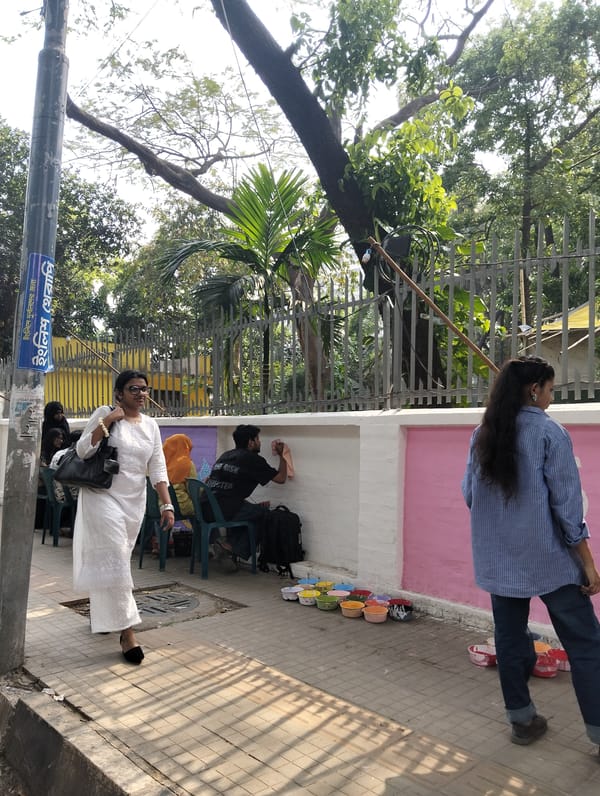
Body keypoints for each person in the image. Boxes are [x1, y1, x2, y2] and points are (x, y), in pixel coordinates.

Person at [462, 356, 600, 752]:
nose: (552, 398)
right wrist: (588, 563)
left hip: (499, 560)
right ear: (534, 389)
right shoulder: (550, 433)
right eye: (551, 389)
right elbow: (568, 509)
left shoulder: (482, 434)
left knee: (509, 639)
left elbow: (470, 495)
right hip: (550, 560)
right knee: (586, 645)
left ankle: (521, 721)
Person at [72, 369, 174, 664]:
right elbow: (83, 450)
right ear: (119, 393)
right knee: (116, 559)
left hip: (133, 502)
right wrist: (107, 421)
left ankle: (103, 615)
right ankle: (127, 633)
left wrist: (167, 505)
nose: (141, 394)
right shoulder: (104, 413)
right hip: (101, 496)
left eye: (144, 389)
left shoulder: (151, 425)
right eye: (134, 389)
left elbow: (158, 466)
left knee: (113, 561)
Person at [204, 424, 287, 562]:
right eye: (258, 439)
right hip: (224, 511)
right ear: (250, 442)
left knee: (252, 511)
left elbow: (221, 488)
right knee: (264, 515)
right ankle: (232, 548)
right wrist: (282, 455)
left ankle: (227, 546)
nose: (260, 442)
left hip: (205, 508)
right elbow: (281, 478)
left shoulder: (225, 455)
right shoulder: (252, 459)